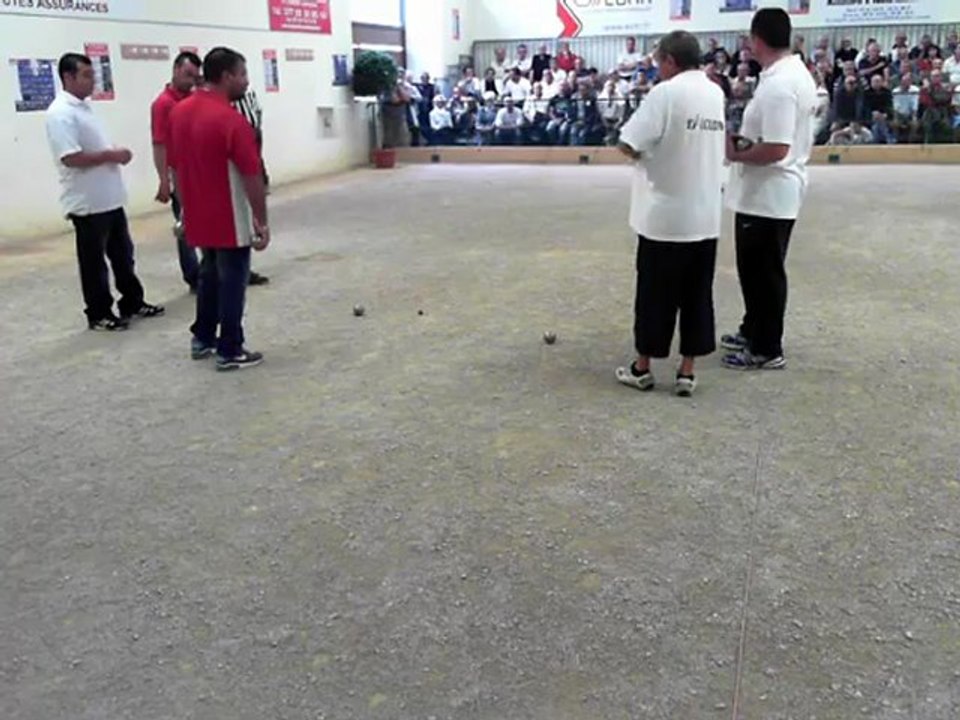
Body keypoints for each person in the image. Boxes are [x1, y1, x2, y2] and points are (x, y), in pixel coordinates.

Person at [614, 31, 725, 397]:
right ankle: (687, 372)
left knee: (654, 295)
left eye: (659, 61)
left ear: (670, 62)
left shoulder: (665, 93)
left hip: (665, 216)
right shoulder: (715, 92)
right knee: (696, 295)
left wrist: (649, 157)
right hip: (705, 215)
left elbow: (628, 142)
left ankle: (642, 367)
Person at [723, 8, 817, 371]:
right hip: (768, 193)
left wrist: (733, 151)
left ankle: (766, 346)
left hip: (769, 193)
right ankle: (753, 328)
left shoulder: (779, 84)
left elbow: (777, 148)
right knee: (754, 269)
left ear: (756, 39)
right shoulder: (789, 74)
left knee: (764, 273)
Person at [46, 53, 164, 331]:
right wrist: (111, 155)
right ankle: (98, 312)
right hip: (87, 203)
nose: (93, 81)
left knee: (124, 256)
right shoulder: (60, 113)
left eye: (93, 75)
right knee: (93, 263)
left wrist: (110, 156)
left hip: (109, 200)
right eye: (86, 75)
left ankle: (132, 301)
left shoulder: (84, 108)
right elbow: (70, 158)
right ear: (68, 77)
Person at [169, 47, 269, 371]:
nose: (246, 80)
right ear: (226, 77)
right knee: (232, 281)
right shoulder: (231, 120)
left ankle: (202, 337)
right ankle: (230, 348)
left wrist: (184, 212)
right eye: (242, 74)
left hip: (198, 214)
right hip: (230, 217)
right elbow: (252, 175)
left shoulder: (180, 113)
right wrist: (260, 220)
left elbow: (176, 167)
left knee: (210, 275)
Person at [151, 51, 202, 292]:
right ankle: (193, 275)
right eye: (187, 74)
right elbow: (159, 143)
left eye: (195, 76)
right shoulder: (163, 104)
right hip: (178, 174)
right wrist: (164, 180)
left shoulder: (194, 99)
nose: (191, 80)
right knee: (185, 223)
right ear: (175, 69)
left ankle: (210, 268)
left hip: (198, 170)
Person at [232, 88, 270, 286]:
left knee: (247, 214)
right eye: (241, 74)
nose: (245, 81)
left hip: (251, 155)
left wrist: (259, 162)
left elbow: (258, 129)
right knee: (238, 216)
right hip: (236, 162)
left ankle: (243, 268)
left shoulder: (250, 95)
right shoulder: (224, 104)